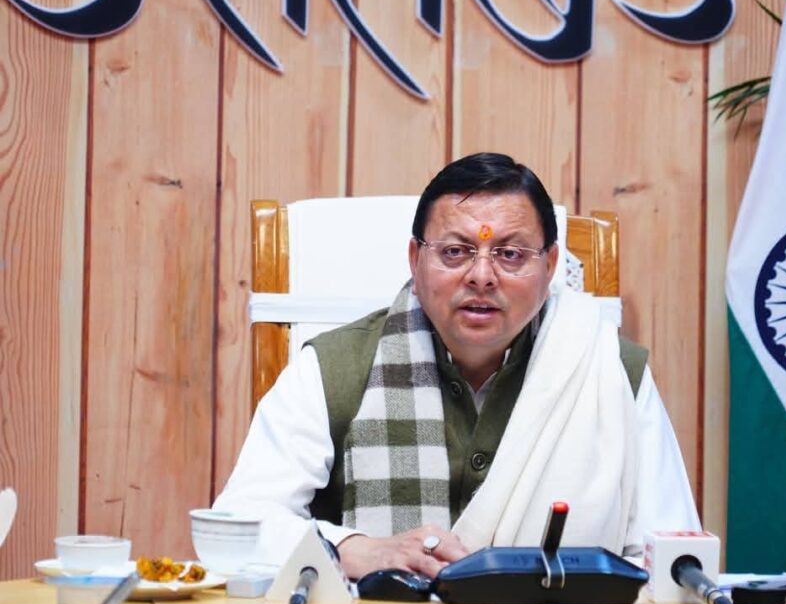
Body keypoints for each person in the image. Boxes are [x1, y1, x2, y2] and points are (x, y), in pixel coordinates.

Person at [214, 153, 699, 579]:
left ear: (551, 267)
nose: (482, 276)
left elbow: (672, 558)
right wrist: (360, 550)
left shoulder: (608, 372)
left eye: (510, 254)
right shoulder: (334, 369)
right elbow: (238, 525)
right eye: (455, 252)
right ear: (414, 259)